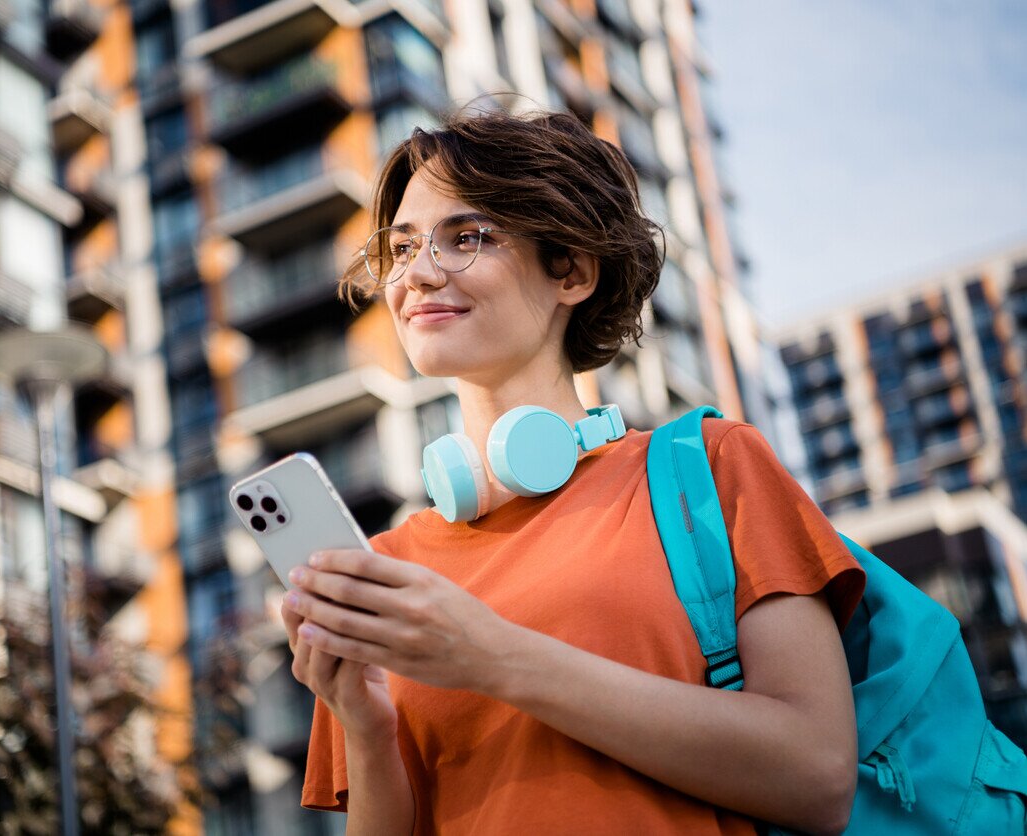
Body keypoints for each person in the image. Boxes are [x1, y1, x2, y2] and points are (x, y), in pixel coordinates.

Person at [279, 110, 865, 835]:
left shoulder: (708, 467)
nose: (418, 275)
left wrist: (495, 658)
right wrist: (366, 731)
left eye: (466, 238)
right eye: (401, 248)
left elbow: (818, 775)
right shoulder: (387, 570)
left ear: (573, 272)